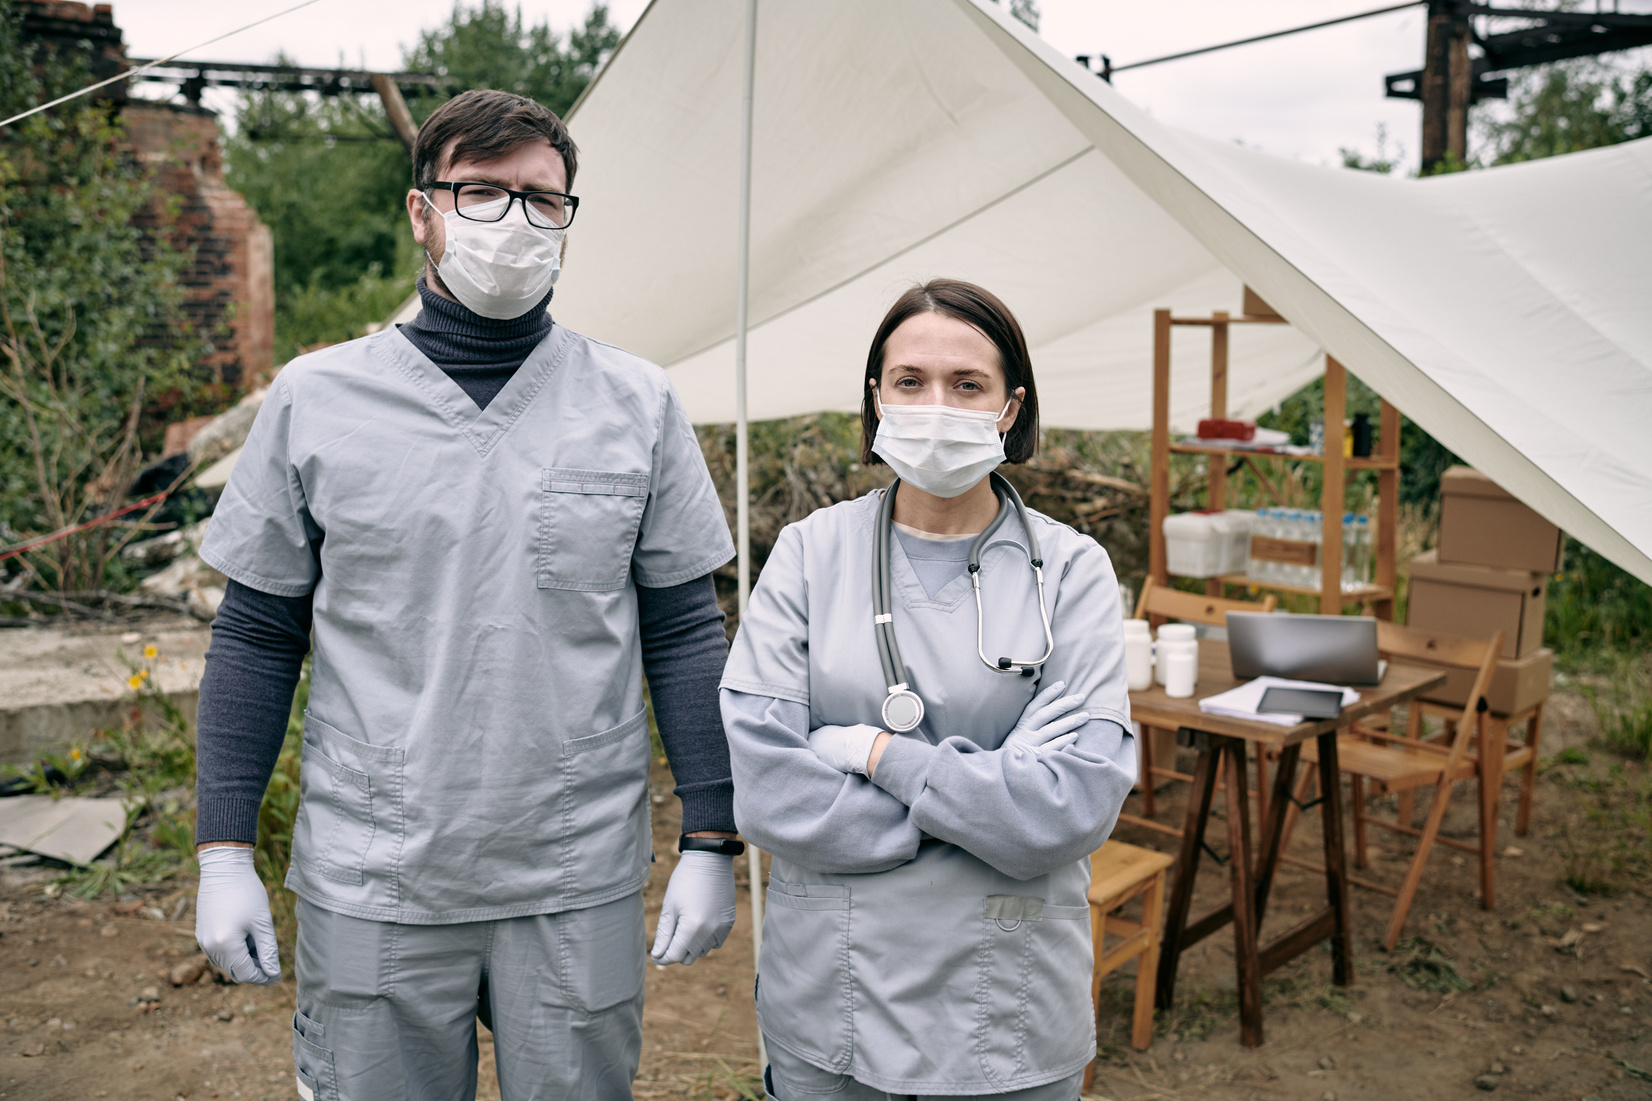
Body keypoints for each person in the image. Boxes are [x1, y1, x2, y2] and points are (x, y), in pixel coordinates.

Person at [190, 89, 744, 1101]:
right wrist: (223, 845)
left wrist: (711, 833)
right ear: (421, 212)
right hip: (380, 873)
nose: (514, 222)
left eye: (542, 199)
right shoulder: (317, 402)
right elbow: (259, 634)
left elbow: (681, 631)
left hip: (571, 870)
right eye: (481, 192)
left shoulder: (636, 404)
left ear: (569, 217)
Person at [721, 279, 1136, 1100]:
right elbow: (769, 791)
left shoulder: (1073, 569)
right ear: (876, 398)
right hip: (832, 993)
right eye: (909, 381)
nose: (935, 403)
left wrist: (874, 753)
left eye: (968, 384)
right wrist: (990, 800)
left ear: (1009, 408)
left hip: (1004, 1005)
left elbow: (1072, 808)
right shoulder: (810, 553)